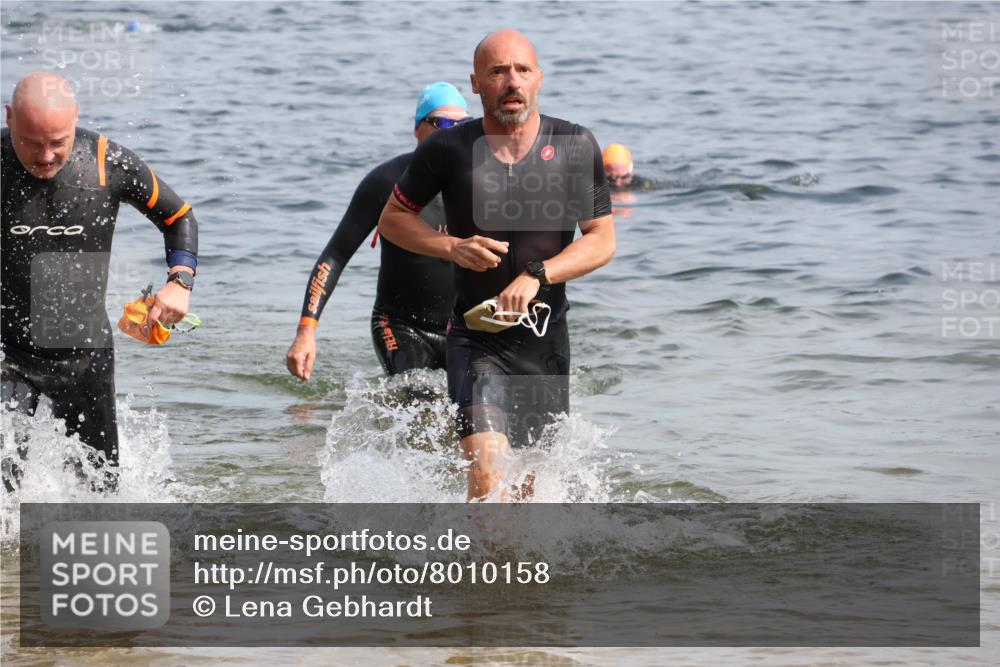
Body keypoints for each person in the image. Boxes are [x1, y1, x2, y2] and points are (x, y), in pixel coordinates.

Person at [378, 30, 616, 501]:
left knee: (530, 491)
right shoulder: (448, 150)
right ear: (475, 83)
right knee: (486, 475)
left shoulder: (573, 144)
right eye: (498, 71)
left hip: (545, 343)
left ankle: (509, 574)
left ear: (539, 78)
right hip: (475, 339)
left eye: (523, 70)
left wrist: (538, 274)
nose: (512, 82)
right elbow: (392, 219)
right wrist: (450, 248)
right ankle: (477, 575)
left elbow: (602, 239)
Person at [1, 72, 198, 491]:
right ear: (9, 118)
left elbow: (178, 217)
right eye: (34, 143)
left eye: (59, 141)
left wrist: (179, 282)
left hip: (83, 355)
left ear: (75, 122)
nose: (48, 156)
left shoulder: (107, 161)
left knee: (100, 495)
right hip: (5, 354)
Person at [285, 82, 471, 381]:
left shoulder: (483, 182)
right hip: (401, 325)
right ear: (418, 130)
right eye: (442, 123)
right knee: (418, 400)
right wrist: (306, 331)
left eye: (463, 124)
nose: (452, 131)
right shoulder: (386, 181)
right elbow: (336, 254)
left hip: (465, 328)